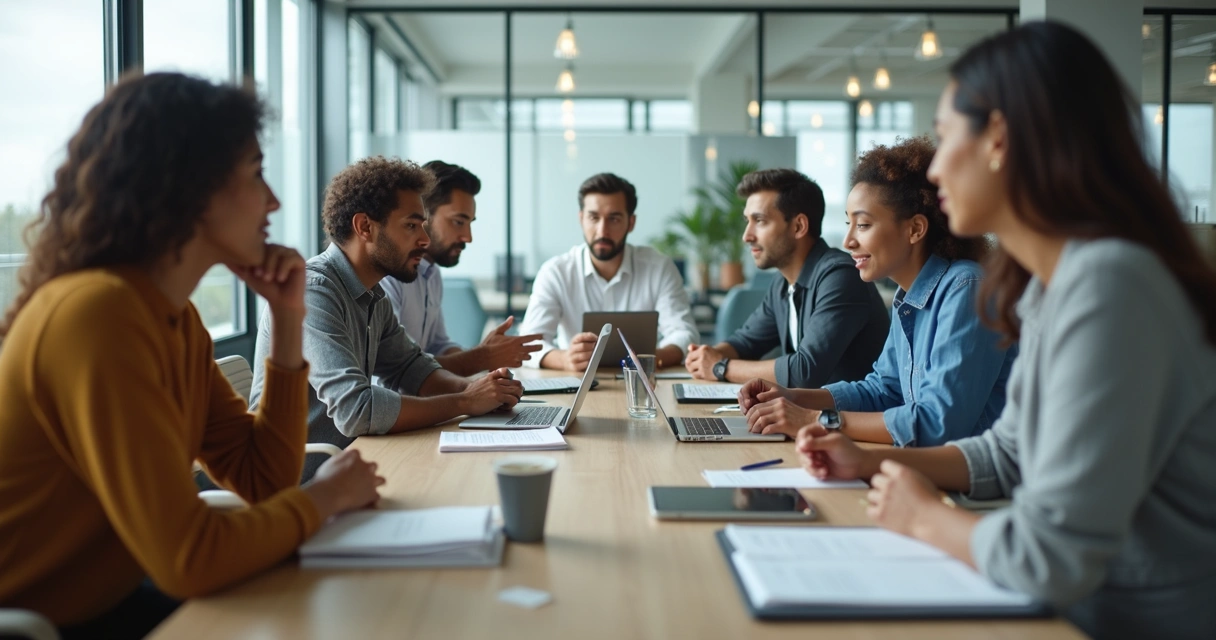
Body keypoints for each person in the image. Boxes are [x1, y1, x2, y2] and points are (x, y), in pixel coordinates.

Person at [796, 22, 1216, 640]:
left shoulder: (1110, 284)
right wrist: (866, 457)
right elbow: (1008, 453)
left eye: (944, 138)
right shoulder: (1052, 282)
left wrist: (922, 519)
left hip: (1118, 620)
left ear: (999, 139)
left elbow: (1053, 556)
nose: (935, 170)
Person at [0, 73, 383, 638]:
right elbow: (189, 559)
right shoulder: (98, 314)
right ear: (186, 186)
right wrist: (324, 497)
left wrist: (285, 319)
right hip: (47, 625)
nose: (273, 200)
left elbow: (261, 481)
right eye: (255, 174)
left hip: (113, 600)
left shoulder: (173, 319)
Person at [739, 137, 1016, 444]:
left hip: (968, 487)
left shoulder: (966, 289)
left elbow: (937, 422)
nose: (847, 242)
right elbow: (884, 390)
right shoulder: (907, 297)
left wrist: (813, 419)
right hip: (921, 471)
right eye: (848, 224)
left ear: (915, 229)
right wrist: (794, 397)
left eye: (863, 225)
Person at [250, 156, 523, 451]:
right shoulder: (312, 293)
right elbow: (357, 410)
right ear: (365, 226)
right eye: (411, 226)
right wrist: (465, 401)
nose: (424, 239)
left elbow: (411, 368)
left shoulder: (373, 294)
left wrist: (482, 391)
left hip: (349, 462)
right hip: (299, 479)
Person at [685, 169, 889, 388]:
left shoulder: (840, 277)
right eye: (748, 221)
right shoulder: (783, 283)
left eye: (760, 221)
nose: (747, 236)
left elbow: (805, 371)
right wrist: (708, 355)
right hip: (807, 417)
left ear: (798, 226)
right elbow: (747, 342)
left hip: (849, 418)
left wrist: (720, 367)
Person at [519, 172, 697, 371]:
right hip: (575, 384)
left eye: (614, 219)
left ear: (631, 223)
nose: (602, 231)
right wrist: (565, 359)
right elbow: (528, 344)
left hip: (643, 384)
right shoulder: (556, 272)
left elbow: (685, 334)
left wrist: (649, 360)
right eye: (593, 218)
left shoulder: (659, 268)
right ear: (581, 219)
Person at [380, 160, 541, 375]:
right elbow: (402, 368)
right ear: (422, 216)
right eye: (458, 222)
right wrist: (481, 358)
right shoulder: (388, 278)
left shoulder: (431, 273)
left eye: (470, 223)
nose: (468, 237)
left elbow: (438, 347)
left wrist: (483, 359)